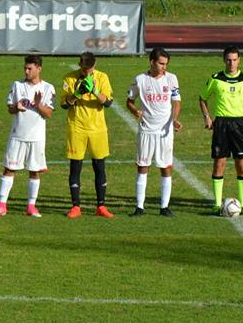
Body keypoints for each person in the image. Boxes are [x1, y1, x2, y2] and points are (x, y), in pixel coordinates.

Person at [0, 54, 55, 219]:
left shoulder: (48, 88)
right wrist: (16, 108)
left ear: (39, 68)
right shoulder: (17, 86)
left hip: (36, 137)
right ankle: (1, 205)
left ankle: (31, 206)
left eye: (29, 68)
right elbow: (9, 108)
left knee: (34, 171)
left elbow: (48, 114)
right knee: (9, 169)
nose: (26, 71)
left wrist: (39, 104)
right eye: (25, 68)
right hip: (17, 135)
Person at [199, 46, 243, 215]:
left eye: (234, 60)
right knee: (220, 163)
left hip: (240, 125)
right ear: (224, 60)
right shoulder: (215, 79)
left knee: (242, 165)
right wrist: (207, 117)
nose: (231, 63)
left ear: (239, 60)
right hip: (222, 125)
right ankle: (217, 205)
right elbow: (202, 98)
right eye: (228, 60)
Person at [126, 47, 182, 217]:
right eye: (161, 63)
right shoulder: (140, 80)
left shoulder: (172, 79)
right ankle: (140, 207)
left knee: (166, 167)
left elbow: (176, 102)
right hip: (146, 129)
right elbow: (129, 101)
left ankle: (164, 207)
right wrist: (135, 111)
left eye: (166, 64)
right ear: (152, 62)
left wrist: (174, 119)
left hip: (164, 131)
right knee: (143, 166)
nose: (164, 67)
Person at [61, 52, 115, 218]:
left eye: (90, 70)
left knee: (99, 166)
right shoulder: (69, 78)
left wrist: (95, 91)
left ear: (95, 65)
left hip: (98, 129)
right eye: (85, 70)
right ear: (79, 64)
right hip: (77, 127)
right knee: (75, 166)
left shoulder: (102, 77)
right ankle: (76, 206)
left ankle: (101, 206)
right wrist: (77, 94)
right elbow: (64, 104)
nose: (87, 73)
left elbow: (108, 102)